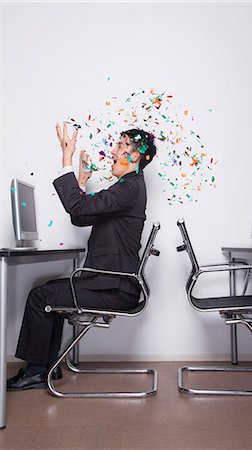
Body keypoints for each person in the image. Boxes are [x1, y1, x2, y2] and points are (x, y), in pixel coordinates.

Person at [7, 123, 157, 391]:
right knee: (47, 294)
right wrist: (82, 182)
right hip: (109, 283)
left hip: (115, 288)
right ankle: (46, 367)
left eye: (120, 146)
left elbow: (77, 207)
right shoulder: (126, 188)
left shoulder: (128, 188)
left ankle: (36, 370)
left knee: (42, 297)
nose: (113, 151)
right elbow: (80, 216)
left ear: (134, 156)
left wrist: (67, 158)